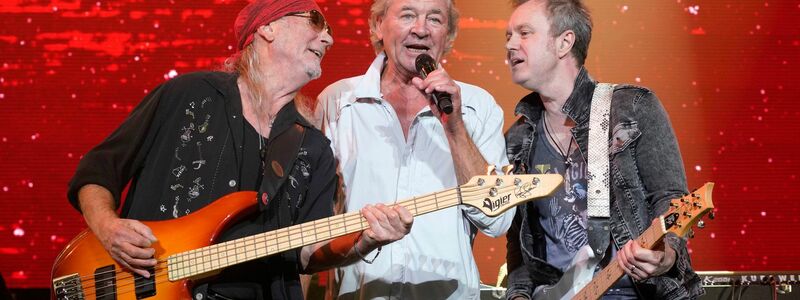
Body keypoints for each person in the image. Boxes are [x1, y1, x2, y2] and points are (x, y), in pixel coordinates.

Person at [66, 1, 412, 299]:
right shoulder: (187, 95)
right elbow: (98, 170)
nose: (329, 38)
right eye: (317, 22)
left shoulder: (313, 147)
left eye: (330, 30)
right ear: (268, 28)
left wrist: (366, 241)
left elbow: (308, 252)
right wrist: (108, 227)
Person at [503, 0, 704, 299]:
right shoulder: (517, 139)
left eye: (524, 33)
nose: (510, 44)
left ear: (564, 42)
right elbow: (520, 244)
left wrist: (666, 255)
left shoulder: (631, 108)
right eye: (508, 35)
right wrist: (518, 295)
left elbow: (670, 199)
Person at [316, 0, 514, 299]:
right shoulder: (339, 103)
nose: (421, 29)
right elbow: (312, 222)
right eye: (408, 15)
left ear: (448, 35)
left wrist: (454, 126)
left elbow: (497, 220)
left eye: (434, 19)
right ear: (378, 25)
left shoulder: (477, 107)